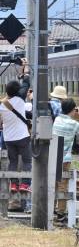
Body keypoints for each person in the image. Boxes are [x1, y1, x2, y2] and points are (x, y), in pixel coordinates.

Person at [52, 98, 79, 223]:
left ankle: (51, 209)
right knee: (63, 185)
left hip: (53, 156)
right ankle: (61, 213)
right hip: (65, 159)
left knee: (53, 184)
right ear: (73, 110)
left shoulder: (57, 119)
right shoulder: (73, 124)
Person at [0, 58, 31, 194]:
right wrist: (25, 68)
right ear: (18, 91)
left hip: (8, 138)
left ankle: (13, 185)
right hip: (22, 136)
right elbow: (26, 82)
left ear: (6, 91)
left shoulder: (2, 104)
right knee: (27, 160)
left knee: (12, 162)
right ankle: (25, 184)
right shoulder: (20, 98)